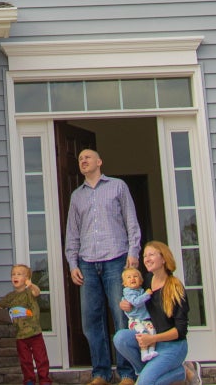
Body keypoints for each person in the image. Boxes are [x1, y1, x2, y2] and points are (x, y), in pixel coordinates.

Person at [65, 148, 143, 385]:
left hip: (116, 259)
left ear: (99, 161)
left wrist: (133, 252)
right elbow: (72, 233)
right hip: (87, 263)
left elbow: (131, 221)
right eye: (80, 159)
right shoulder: (76, 196)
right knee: (91, 320)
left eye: (87, 157)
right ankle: (100, 373)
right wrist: (72, 263)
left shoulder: (118, 186)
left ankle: (127, 373)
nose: (83, 161)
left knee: (121, 316)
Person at [111, 241, 197, 385]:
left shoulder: (175, 288)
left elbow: (180, 331)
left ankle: (182, 372)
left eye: (151, 255)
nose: (146, 259)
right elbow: (133, 296)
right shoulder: (147, 280)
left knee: (148, 383)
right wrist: (124, 303)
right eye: (144, 256)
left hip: (173, 346)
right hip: (152, 341)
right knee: (121, 338)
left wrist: (153, 339)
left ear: (163, 259)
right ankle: (149, 373)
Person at [0, 263, 50, 385]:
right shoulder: (10, 297)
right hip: (20, 336)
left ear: (27, 278)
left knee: (41, 359)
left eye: (19, 274)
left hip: (35, 334)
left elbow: (37, 292)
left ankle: (44, 380)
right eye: (13, 274)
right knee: (25, 361)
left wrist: (31, 285)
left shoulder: (29, 292)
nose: (15, 276)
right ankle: (29, 380)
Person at [114, 265, 154, 344]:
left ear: (141, 281)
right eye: (129, 277)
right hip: (136, 321)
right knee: (143, 335)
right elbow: (135, 302)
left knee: (152, 333)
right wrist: (147, 294)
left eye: (135, 276)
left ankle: (151, 351)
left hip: (145, 320)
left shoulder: (140, 290)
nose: (132, 278)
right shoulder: (128, 292)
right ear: (125, 283)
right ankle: (144, 353)